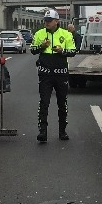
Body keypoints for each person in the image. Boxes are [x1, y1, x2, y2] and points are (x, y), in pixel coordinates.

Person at [29, 8, 77, 142]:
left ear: (56, 21)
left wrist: (62, 51)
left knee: (62, 103)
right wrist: (42, 47)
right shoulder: (39, 33)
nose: (47, 23)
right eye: (45, 20)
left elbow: (73, 51)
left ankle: (62, 131)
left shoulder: (66, 34)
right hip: (45, 74)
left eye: (49, 21)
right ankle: (42, 131)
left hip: (61, 74)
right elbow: (32, 50)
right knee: (44, 102)